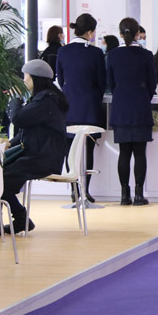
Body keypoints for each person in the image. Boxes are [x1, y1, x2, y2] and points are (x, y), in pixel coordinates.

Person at [0, 60, 68, 236]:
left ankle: (16, 219)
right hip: (36, 153)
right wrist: (10, 143)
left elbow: (19, 119)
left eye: (26, 77)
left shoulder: (46, 100)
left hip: (43, 157)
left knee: (1, 178)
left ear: (36, 78)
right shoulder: (43, 98)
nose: (24, 81)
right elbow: (28, 130)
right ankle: (0, 220)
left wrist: (15, 98)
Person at [56, 13, 106, 203]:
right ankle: (86, 190)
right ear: (89, 32)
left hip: (69, 106)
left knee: (70, 150)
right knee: (88, 150)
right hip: (90, 106)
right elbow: (102, 82)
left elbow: (60, 79)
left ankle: (74, 189)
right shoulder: (96, 53)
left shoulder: (63, 51)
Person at [107, 18, 156, 205]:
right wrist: (143, 96)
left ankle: (124, 195)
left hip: (121, 107)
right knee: (140, 153)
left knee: (124, 153)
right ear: (138, 34)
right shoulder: (146, 55)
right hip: (140, 106)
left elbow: (110, 83)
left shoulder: (112, 55)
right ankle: (139, 194)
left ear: (120, 34)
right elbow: (152, 84)